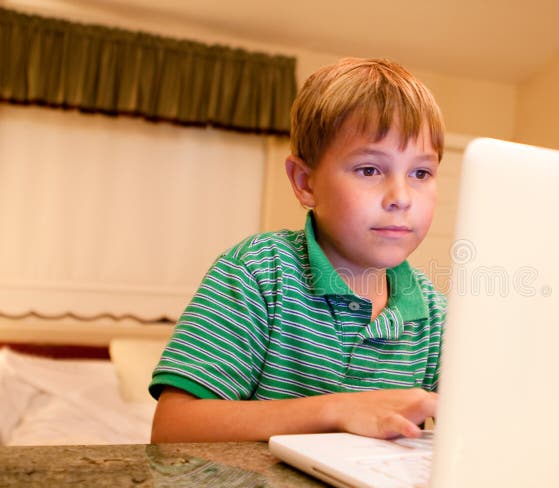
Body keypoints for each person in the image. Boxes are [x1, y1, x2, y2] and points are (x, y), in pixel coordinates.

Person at [149, 57, 446, 443]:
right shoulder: (257, 272)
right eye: (369, 170)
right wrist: (337, 410)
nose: (401, 198)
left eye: (420, 173)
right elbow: (173, 427)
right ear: (305, 183)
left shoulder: (434, 316)